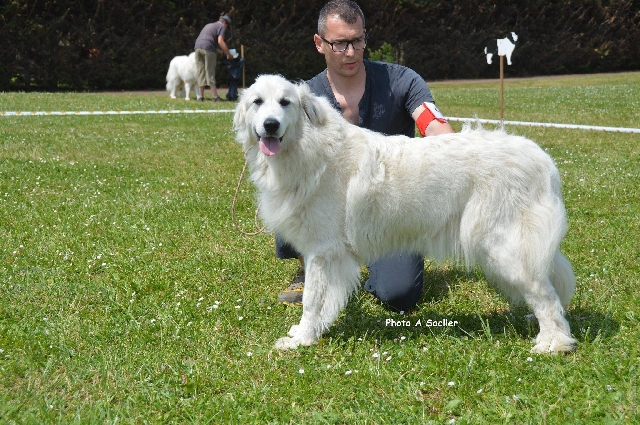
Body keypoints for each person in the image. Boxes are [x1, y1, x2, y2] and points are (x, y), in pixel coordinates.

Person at [276, 0, 456, 311]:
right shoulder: (302, 97)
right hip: (326, 212)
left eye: (358, 40)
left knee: (398, 294)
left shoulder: (401, 80)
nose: (351, 52)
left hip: (389, 211)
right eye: (340, 43)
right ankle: (311, 264)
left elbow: (433, 124)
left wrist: (454, 147)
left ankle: (362, 266)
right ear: (319, 43)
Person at [194, 14, 234, 101]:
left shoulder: (209, 25)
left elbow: (211, 46)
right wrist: (229, 54)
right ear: (225, 23)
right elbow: (220, 41)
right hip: (207, 49)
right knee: (210, 71)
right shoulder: (221, 26)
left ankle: (200, 97)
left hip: (197, 47)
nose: (226, 29)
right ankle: (215, 97)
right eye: (227, 26)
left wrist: (223, 53)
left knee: (201, 72)